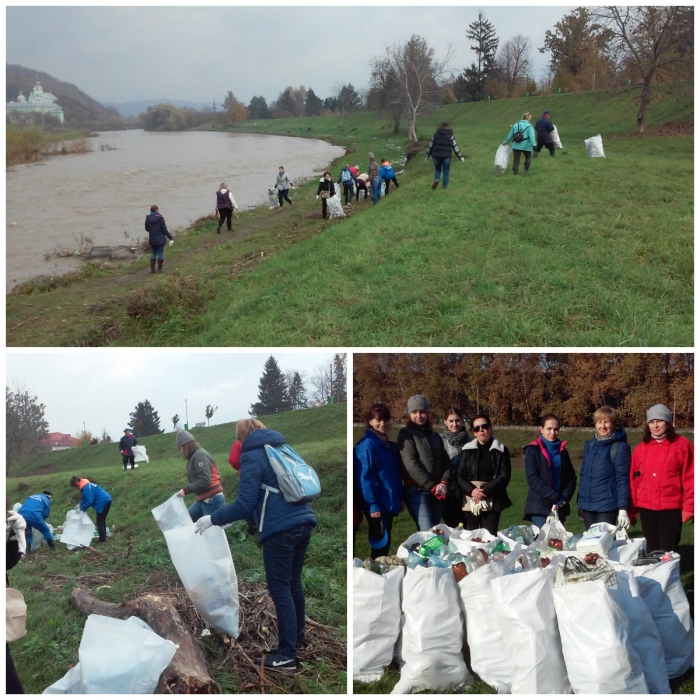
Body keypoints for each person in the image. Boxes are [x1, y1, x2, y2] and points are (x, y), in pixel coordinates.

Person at [195, 419, 317, 671]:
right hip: (304, 520)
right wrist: (233, 520)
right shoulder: (280, 448)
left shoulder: (251, 455)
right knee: (293, 582)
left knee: (280, 589)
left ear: (241, 437)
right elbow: (265, 494)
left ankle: (286, 655)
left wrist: (212, 519)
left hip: (281, 529)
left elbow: (246, 502)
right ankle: (297, 637)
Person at [629, 404, 694, 554]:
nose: (656, 425)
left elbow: (691, 478)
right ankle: (653, 576)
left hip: (670, 507)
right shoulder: (641, 449)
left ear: (668, 422)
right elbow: (634, 481)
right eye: (652, 422)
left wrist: (689, 506)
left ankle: (669, 577)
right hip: (647, 507)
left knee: (668, 551)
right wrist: (632, 509)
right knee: (651, 549)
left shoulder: (682, 446)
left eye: (660, 421)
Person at [354, 403, 403, 558]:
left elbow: (394, 475)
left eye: (386, 419)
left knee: (386, 542)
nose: (383, 423)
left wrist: (399, 499)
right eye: (378, 420)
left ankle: (379, 573)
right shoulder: (366, 445)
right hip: (377, 504)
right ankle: (374, 575)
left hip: (388, 501)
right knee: (380, 542)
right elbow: (365, 477)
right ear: (370, 421)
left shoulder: (389, 445)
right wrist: (373, 505)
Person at [397, 395, 452, 532]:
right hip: (418, 491)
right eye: (414, 412)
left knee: (435, 532)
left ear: (427, 413)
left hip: (438, 491)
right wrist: (431, 485)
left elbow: (446, 462)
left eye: (422, 412)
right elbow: (410, 464)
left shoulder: (435, 436)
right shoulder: (406, 434)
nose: (419, 416)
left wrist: (444, 482)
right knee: (427, 532)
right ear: (410, 414)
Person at [456, 415, 513, 536]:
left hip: (493, 499)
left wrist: (483, 492)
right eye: (477, 428)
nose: (481, 430)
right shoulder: (467, 450)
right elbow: (460, 475)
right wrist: (472, 491)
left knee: (489, 537)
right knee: (473, 537)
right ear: (474, 432)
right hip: (471, 499)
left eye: (484, 426)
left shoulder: (501, 450)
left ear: (490, 428)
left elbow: (504, 476)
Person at [576, 407, 631, 530]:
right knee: (590, 545)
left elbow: (622, 479)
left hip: (607, 506)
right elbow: (584, 476)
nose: (603, 426)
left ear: (613, 423)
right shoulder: (589, 446)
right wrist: (581, 503)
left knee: (603, 545)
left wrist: (622, 508)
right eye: (599, 422)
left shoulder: (619, 447)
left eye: (606, 422)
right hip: (588, 507)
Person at [523, 414, 577, 528]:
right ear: (541, 429)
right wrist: (555, 497)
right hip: (540, 506)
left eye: (556, 429)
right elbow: (532, 478)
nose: (553, 432)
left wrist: (563, 498)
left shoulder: (563, 451)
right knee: (543, 543)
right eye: (549, 429)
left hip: (559, 506)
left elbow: (571, 477)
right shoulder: (533, 450)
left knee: (558, 543)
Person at [173, 430, 226, 521]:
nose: (181, 452)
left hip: (212, 500)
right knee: (186, 521)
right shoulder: (194, 456)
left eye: (180, 448)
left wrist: (185, 491)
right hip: (203, 499)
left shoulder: (199, 456)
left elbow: (205, 480)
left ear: (186, 446)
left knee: (211, 533)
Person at [439, 408, 471, 527]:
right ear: (445, 422)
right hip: (448, 492)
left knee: (468, 528)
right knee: (453, 527)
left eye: (457, 420)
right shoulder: (439, 441)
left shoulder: (471, 441)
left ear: (462, 421)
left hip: (467, 491)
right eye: (451, 421)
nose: (454, 424)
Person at [69, 476, 113, 543]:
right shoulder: (85, 484)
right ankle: (104, 536)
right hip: (107, 499)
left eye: (74, 487)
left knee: (99, 521)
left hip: (102, 501)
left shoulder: (86, 487)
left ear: (77, 483)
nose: (76, 489)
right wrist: (80, 504)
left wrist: (81, 509)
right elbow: (85, 496)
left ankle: (102, 540)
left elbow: (89, 501)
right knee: (102, 520)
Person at [425, 122, 465, 190]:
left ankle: (436, 180)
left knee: (437, 169)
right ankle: (444, 188)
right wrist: (460, 156)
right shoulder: (450, 135)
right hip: (446, 156)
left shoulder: (435, 134)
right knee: (446, 172)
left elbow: (430, 146)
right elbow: (455, 147)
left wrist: (427, 156)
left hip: (435, 156)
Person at [144, 205, 174, 273]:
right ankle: (160, 269)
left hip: (152, 239)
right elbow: (164, 230)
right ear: (157, 210)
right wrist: (170, 237)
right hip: (160, 239)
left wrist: (152, 230)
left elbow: (147, 229)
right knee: (160, 253)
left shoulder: (148, 219)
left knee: (154, 253)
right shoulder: (160, 218)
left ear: (151, 211)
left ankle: (152, 270)